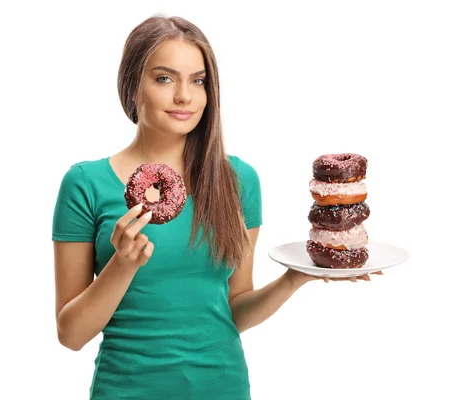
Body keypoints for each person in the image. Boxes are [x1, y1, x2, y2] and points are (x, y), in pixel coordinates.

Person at [52, 14, 376, 399]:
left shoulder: (237, 181)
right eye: (164, 78)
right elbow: (70, 335)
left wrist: (295, 278)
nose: (184, 96)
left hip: (223, 388)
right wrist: (121, 265)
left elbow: (234, 309)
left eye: (198, 80)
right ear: (132, 88)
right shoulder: (85, 184)